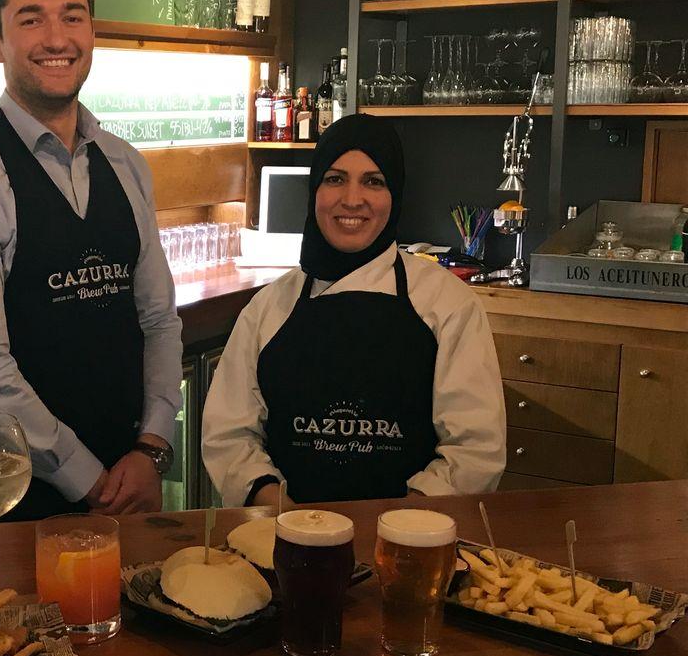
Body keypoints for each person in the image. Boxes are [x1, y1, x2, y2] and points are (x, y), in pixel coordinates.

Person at [0, 0, 183, 520]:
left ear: (92, 30)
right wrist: (91, 481)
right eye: (31, 19)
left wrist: (150, 449)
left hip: (132, 480)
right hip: (18, 499)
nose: (56, 37)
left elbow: (158, 320)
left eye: (72, 16)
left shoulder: (126, 164)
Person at [202, 114, 505, 507]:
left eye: (373, 181)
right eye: (335, 178)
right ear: (315, 191)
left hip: (407, 546)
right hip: (286, 540)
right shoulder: (269, 307)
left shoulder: (447, 305)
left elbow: (475, 448)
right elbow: (229, 433)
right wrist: (278, 507)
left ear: (395, 194)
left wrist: (400, 526)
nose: (352, 199)